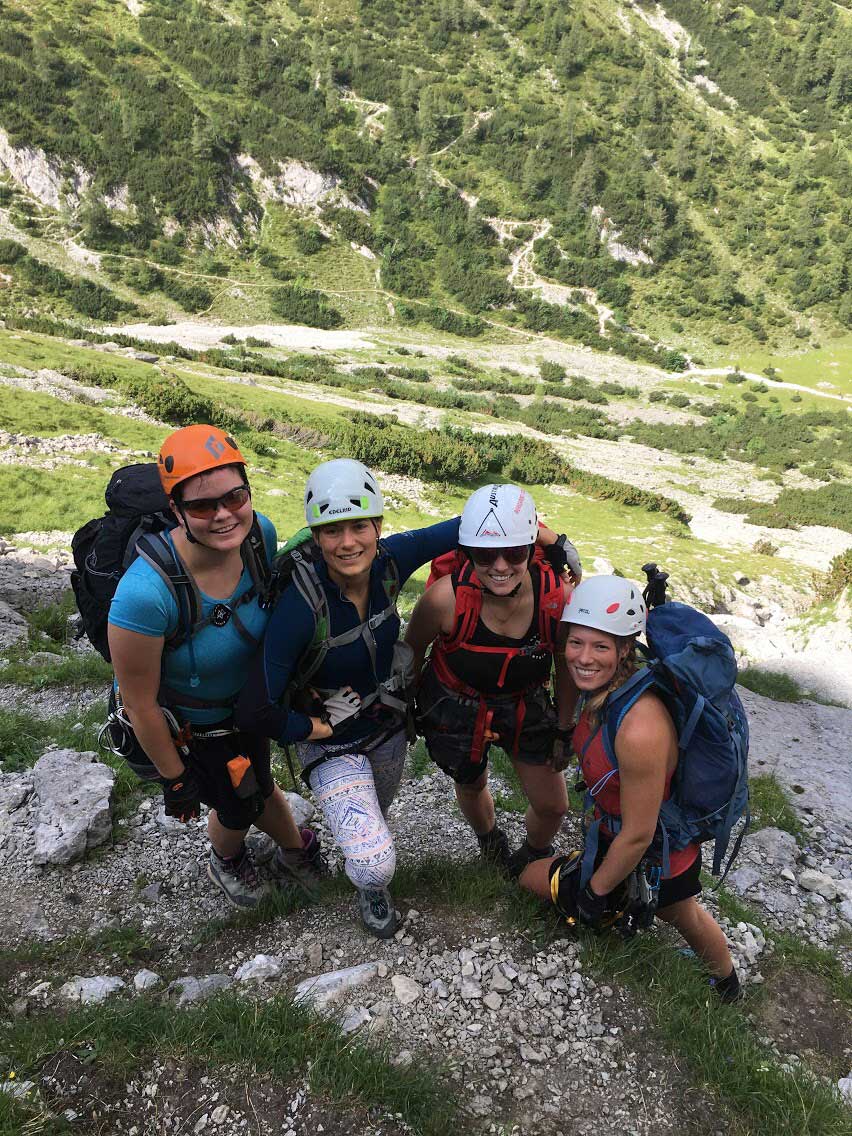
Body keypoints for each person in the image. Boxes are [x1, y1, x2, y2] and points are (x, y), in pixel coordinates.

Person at [236, 457, 468, 939]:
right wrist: (311, 728)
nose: (347, 543)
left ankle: (363, 848)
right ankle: (370, 879)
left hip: (387, 726)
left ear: (378, 525)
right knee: (374, 862)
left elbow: (472, 522)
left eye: (359, 526)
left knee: (376, 812)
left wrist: (550, 540)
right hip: (331, 741)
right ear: (316, 535)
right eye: (332, 530)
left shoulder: (390, 561)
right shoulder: (301, 605)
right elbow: (255, 709)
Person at [107, 425, 318, 910]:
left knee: (257, 784)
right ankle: (226, 859)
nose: (224, 515)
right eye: (202, 506)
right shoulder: (144, 595)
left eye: (235, 497)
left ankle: (294, 850)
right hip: (193, 729)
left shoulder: (259, 536)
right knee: (237, 804)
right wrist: (176, 778)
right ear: (176, 510)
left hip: (248, 707)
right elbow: (139, 704)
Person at [518, 575, 741, 1002]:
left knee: (680, 913)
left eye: (600, 647)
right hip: (614, 838)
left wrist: (594, 893)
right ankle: (621, 909)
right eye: (576, 642)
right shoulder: (605, 692)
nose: (584, 658)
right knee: (531, 877)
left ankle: (727, 985)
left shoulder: (639, 727)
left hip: (657, 857)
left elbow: (639, 833)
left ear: (624, 649)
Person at [404, 484, 580, 879]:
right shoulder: (445, 599)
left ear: (531, 549)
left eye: (515, 553)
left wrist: (565, 727)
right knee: (471, 783)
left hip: (524, 699)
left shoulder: (557, 599)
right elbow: (411, 651)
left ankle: (533, 853)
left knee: (553, 805)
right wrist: (407, 707)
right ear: (468, 552)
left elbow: (565, 663)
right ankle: (490, 841)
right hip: (456, 702)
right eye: (484, 555)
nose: (500, 566)